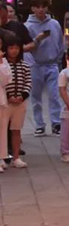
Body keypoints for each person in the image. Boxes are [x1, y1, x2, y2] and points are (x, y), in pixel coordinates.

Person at [25, 0, 65, 137]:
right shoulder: (28, 26)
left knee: (54, 95)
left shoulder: (54, 24)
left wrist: (58, 59)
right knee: (36, 97)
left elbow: (60, 42)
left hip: (52, 64)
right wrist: (37, 39)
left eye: (43, 7)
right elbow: (26, 46)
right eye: (37, 7)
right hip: (35, 65)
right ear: (33, 9)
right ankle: (39, 124)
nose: (41, 10)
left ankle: (56, 123)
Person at [1, 35, 30, 169]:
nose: (14, 51)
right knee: (2, 130)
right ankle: (2, 157)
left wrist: (22, 96)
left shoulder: (24, 65)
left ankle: (16, 157)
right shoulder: (3, 64)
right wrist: (9, 97)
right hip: (6, 102)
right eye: (11, 48)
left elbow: (28, 82)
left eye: (17, 48)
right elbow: (3, 83)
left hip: (20, 102)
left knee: (16, 130)